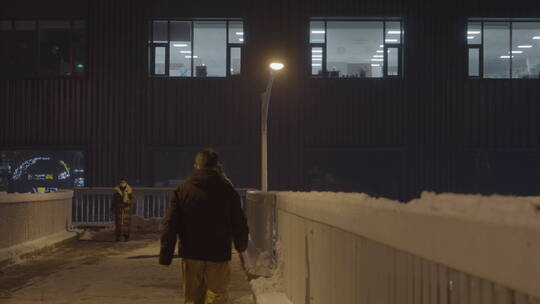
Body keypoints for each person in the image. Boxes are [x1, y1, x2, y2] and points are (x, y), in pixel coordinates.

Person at [159, 149, 249, 304]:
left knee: (193, 299)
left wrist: (166, 253)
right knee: (216, 297)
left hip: (191, 253)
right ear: (216, 166)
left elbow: (170, 224)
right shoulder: (227, 190)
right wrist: (241, 245)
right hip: (218, 254)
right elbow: (239, 221)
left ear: (197, 166)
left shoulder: (182, 190)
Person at [112, 177, 133, 242]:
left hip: (126, 209)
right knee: (118, 224)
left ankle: (126, 237)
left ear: (126, 183)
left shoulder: (129, 190)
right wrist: (112, 207)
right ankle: (118, 237)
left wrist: (128, 201)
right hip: (119, 209)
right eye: (121, 182)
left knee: (126, 224)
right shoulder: (116, 190)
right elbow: (113, 200)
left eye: (124, 182)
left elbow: (132, 200)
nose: (122, 183)